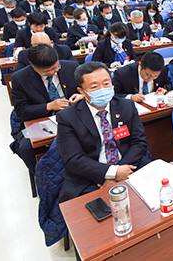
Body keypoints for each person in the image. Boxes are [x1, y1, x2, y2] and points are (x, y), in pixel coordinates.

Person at [56, 61, 151, 202]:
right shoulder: (67, 117)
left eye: (106, 83)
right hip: (90, 177)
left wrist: (119, 172)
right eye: (95, 87)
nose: (103, 89)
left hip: (128, 165)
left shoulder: (127, 106)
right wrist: (111, 173)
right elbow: (73, 159)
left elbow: (139, 142)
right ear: (82, 91)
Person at [10, 44, 79, 173]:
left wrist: (81, 96)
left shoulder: (71, 67)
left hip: (73, 115)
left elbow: (86, 89)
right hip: (42, 120)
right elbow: (21, 111)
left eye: (56, 68)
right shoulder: (20, 78)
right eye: (47, 71)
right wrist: (49, 106)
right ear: (33, 67)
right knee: (26, 147)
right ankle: (41, 176)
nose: (53, 73)